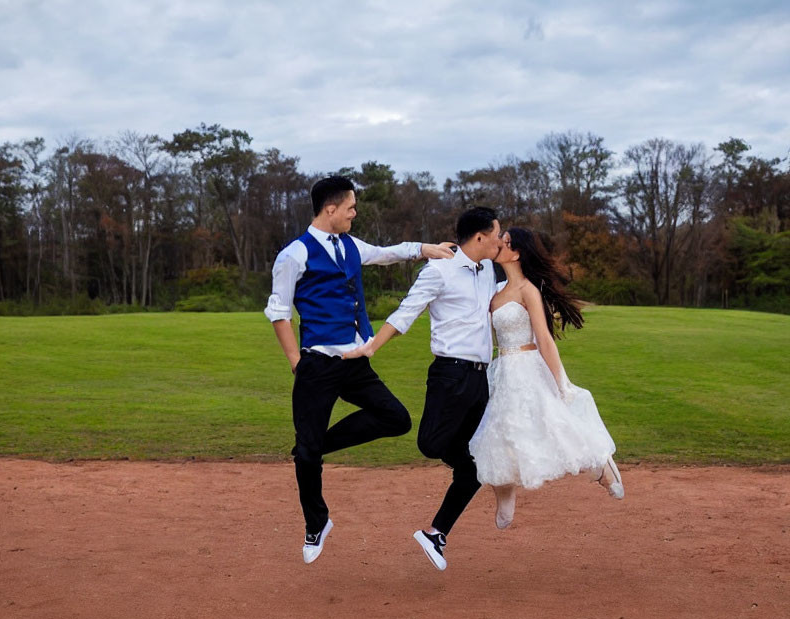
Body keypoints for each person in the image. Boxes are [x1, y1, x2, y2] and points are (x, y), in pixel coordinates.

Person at [265, 175, 455, 564]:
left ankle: (316, 446)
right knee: (306, 455)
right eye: (350, 207)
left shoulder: (350, 245)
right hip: (316, 364)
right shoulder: (294, 255)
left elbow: (387, 252)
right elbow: (278, 313)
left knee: (396, 418)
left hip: (355, 361)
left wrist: (425, 249)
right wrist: (296, 362)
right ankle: (316, 522)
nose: (354, 213)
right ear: (330, 209)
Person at [344, 206, 501, 571]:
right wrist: (370, 347)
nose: (500, 239)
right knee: (432, 444)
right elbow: (405, 313)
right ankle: (467, 467)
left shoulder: (489, 271)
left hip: (482, 379)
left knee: (476, 465)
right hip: (450, 373)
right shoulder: (439, 270)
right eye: (496, 233)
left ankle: (437, 533)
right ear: (479, 236)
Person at [469, 226, 624, 532]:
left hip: (528, 367)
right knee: (499, 432)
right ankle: (505, 494)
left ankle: (602, 466)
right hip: (502, 370)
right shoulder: (494, 291)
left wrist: (562, 382)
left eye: (507, 242)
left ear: (518, 253)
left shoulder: (528, 290)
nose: (501, 244)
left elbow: (544, 337)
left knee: (555, 427)